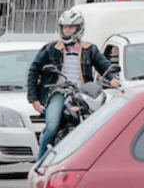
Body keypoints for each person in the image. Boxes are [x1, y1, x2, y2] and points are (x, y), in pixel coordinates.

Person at [28, 9, 120, 160]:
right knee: (52, 127)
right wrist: (34, 98)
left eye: (71, 27)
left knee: (101, 124)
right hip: (58, 93)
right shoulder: (51, 49)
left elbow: (104, 66)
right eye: (65, 27)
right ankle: (39, 166)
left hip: (83, 94)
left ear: (79, 28)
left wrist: (112, 78)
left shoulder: (90, 49)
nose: (67, 30)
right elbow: (34, 71)